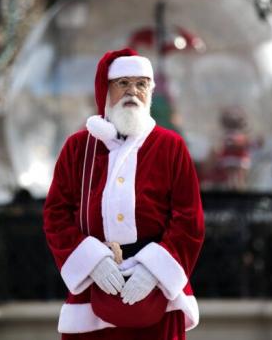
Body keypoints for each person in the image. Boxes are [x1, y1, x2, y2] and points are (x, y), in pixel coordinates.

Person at [43, 48, 205, 339]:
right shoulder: (79, 148)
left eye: (141, 84)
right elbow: (56, 215)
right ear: (105, 90)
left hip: (157, 295)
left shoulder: (171, 147)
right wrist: (93, 262)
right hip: (94, 292)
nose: (133, 91)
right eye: (123, 83)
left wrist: (154, 269)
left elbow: (188, 220)